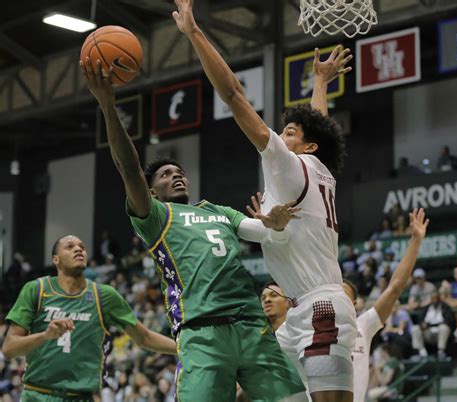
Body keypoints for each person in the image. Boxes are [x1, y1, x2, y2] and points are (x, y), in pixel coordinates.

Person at [80, 60, 305, 401]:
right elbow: (128, 168)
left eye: (179, 171)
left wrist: (273, 225)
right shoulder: (156, 215)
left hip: (250, 325)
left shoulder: (217, 210)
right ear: (152, 190)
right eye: (166, 174)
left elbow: (260, 233)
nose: (176, 175)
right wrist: (109, 106)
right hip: (201, 333)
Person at [173, 1, 356, 400]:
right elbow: (318, 128)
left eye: (288, 132)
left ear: (304, 146)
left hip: (322, 307)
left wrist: (194, 33)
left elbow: (234, 94)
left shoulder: (290, 166)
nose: (280, 135)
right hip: (295, 315)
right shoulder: (318, 169)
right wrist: (321, 83)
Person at [2, 235, 177, 401]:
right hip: (38, 395)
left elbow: (144, 337)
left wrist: (183, 349)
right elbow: (9, 349)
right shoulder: (36, 289)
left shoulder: (105, 295)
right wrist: (45, 336)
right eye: (70, 247)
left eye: (82, 247)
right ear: (56, 259)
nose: (78, 249)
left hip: (82, 397)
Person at [342, 208, 429, 402]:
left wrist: (415, 241)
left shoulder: (362, 325)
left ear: (355, 304)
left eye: (344, 294)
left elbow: (395, 288)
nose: (338, 297)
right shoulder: (315, 327)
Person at [411, 290, 455, 359]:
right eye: (433, 299)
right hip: (428, 332)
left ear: (439, 299)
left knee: (444, 327)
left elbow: (448, 321)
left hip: (440, 332)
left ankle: (441, 352)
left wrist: (433, 325)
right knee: (415, 328)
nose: (434, 301)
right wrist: (422, 325)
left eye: (436, 299)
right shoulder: (426, 308)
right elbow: (420, 320)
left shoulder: (445, 307)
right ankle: (421, 352)